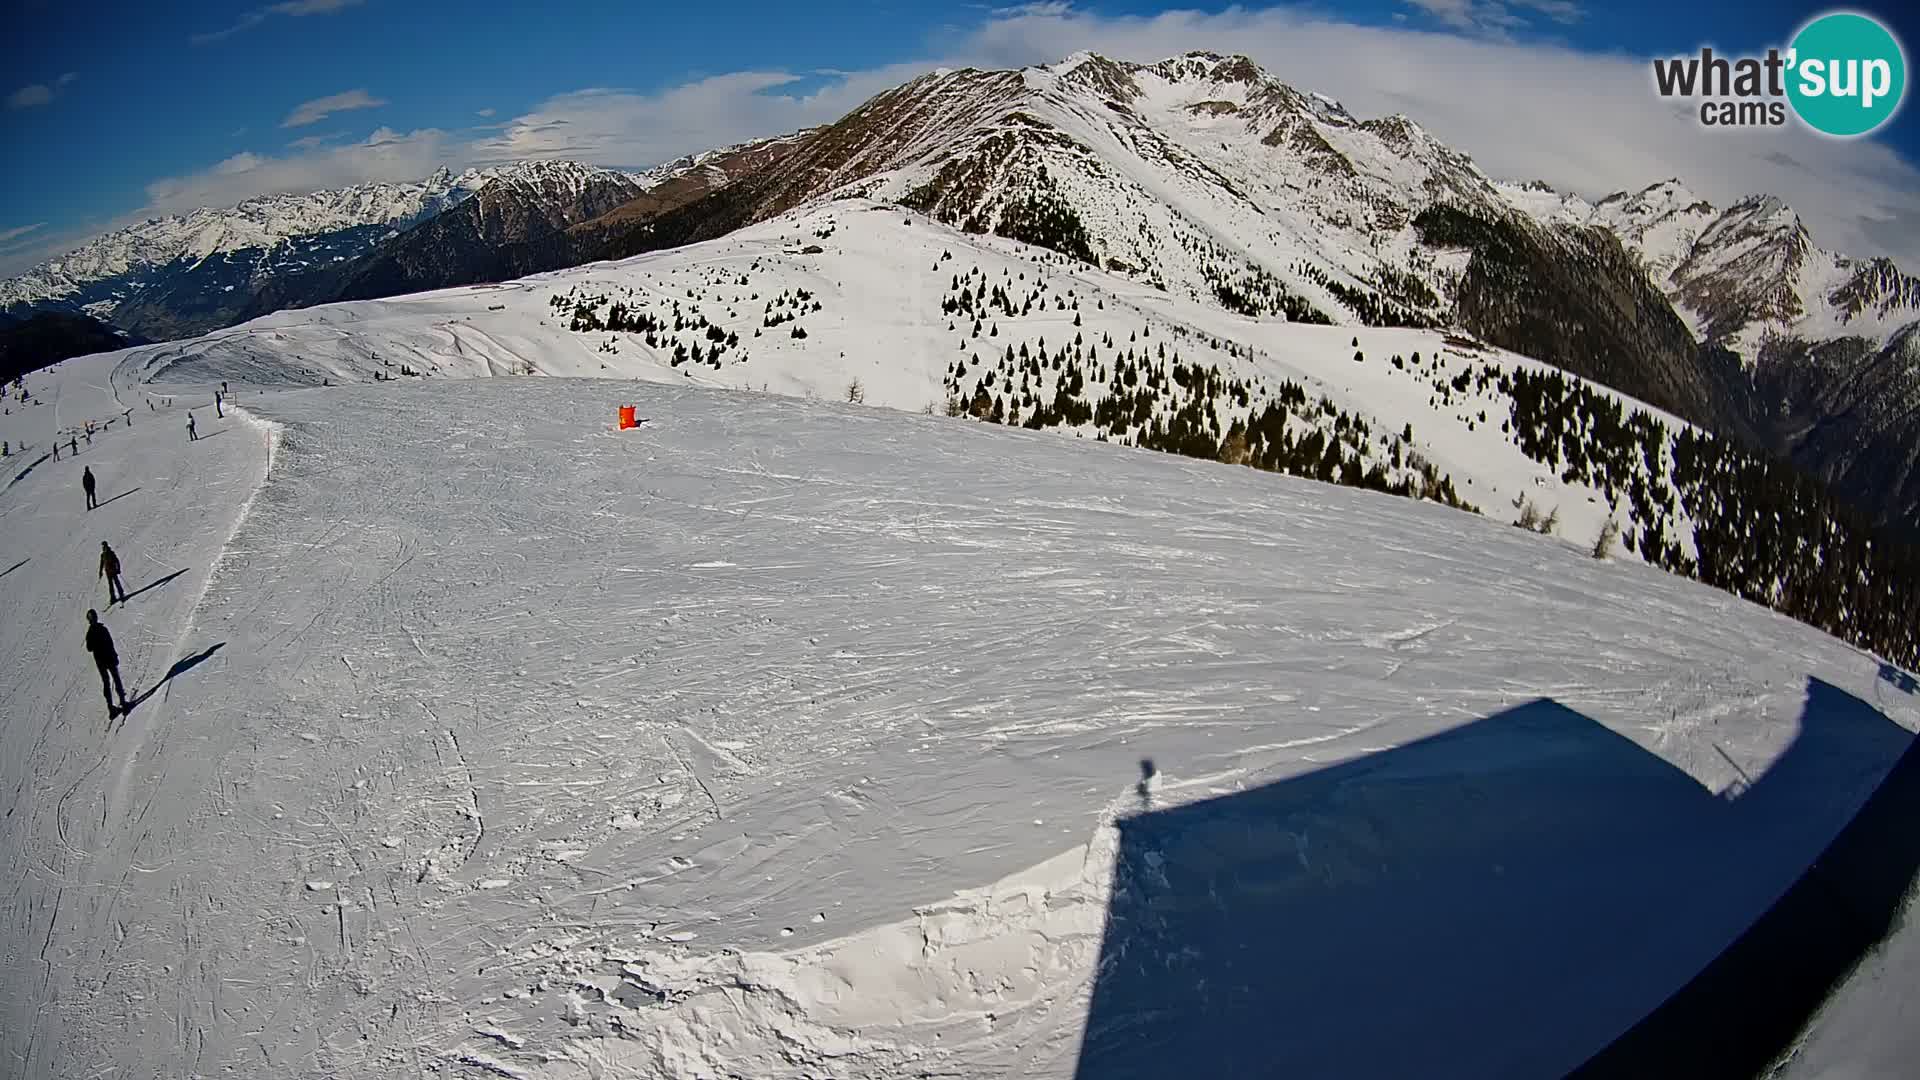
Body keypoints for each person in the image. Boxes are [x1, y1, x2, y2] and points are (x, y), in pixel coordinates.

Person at [84, 609, 132, 716]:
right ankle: (123, 703)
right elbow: (110, 643)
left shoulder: (90, 633)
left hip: (100, 662)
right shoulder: (102, 629)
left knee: (106, 683)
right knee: (116, 678)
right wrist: (114, 655)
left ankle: (110, 707)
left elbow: (89, 648)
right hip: (109, 658)